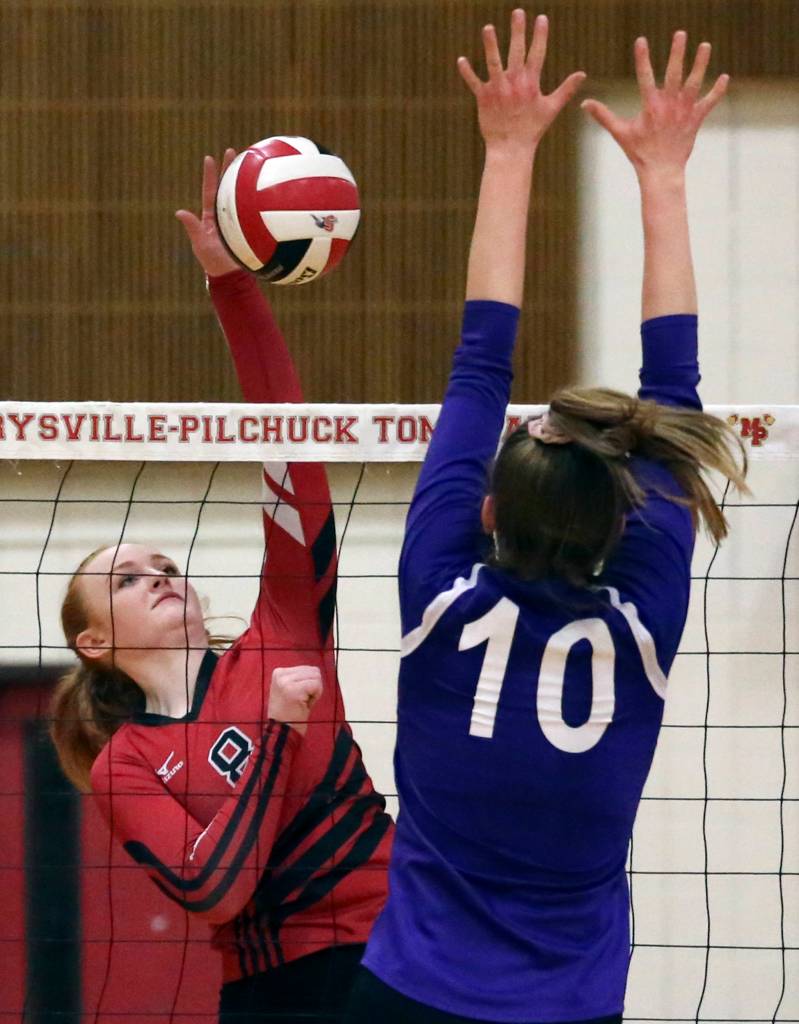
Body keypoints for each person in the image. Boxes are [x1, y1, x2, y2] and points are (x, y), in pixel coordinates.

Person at [347, 11, 746, 1024]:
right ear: (617, 524)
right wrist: (660, 177)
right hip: (566, 1004)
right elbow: (671, 388)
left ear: (485, 509)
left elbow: (482, 356)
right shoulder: (639, 623)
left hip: (410, 995)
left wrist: (509, 151)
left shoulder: (439, 593)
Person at [50, 152, 393, 1024]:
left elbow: (289, 449)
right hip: (273, 991)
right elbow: (216, 888)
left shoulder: (281, 631)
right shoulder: (126, 763)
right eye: (126, 580)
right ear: (95, 642)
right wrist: (277, 735)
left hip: (396, 956)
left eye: (164, 565)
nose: (158, 576)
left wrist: (231, 290)